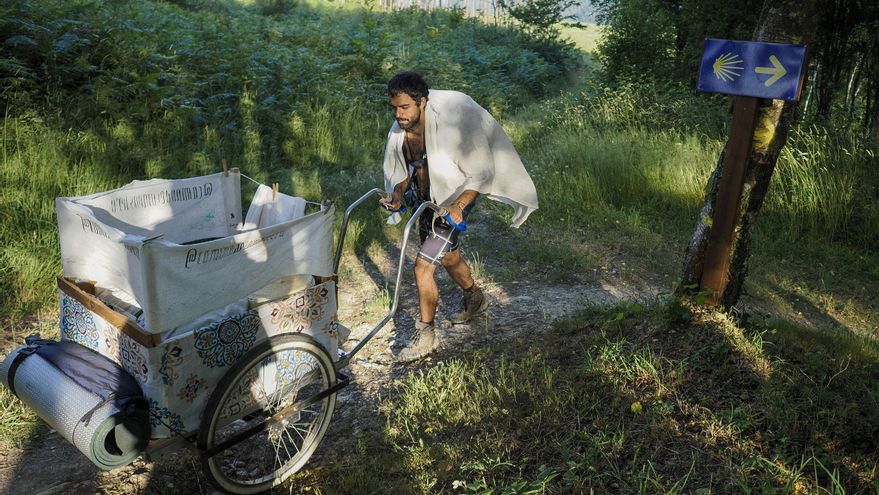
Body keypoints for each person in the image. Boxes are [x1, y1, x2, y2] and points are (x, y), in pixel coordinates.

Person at [380, 71, 538, 362]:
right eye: (394, 108)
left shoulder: (451, 128)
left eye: (404, 107)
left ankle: (426, 335)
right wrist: (397, 195)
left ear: (422, 102)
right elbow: (402, 168)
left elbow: (481, 172)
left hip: (456, 197)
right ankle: (475, 296)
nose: (398, 114)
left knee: (422, 267)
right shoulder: (400, 130)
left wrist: (459, 206)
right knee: (448, 256)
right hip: (425, 200)